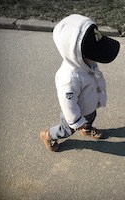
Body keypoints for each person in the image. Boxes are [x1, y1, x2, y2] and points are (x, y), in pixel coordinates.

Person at [40, 14, 120, 152]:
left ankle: (87, 129)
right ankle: (48, 135)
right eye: (95, 56)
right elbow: (67, 103)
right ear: (76, 55)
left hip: (89, 106)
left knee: (91, 117)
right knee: (66, 130)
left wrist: (99, 97)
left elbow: (95, 78)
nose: (97, 60)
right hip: (76, 113)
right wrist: (76, 121)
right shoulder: (69, 78)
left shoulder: (86, 63)